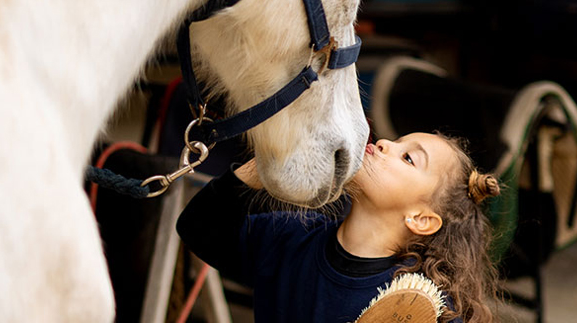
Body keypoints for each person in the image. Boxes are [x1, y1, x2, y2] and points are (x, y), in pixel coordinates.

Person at [176, 132, 501, 323]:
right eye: (396, 140)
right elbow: (197, 228)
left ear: (420, 219)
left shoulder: (421, 307)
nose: (385, 142)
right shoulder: (289, 238)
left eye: (408, 158)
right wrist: (266, 165)